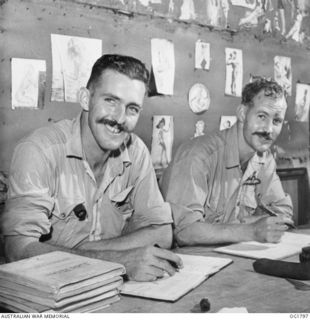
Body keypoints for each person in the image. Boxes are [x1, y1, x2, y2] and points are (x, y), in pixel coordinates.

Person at [1, 54, 182, 281]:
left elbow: (163, 232)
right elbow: (16, 250)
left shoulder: (136, 152)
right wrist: (119, 260)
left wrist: (86, 252)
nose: (120, 118)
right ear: (86, 99)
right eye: (111, 101)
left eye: (132, 108)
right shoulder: (39, 150)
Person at [161, 78, 293, 246]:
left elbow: (284, 214)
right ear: (243, 114)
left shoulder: (264, 159)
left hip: (234, 255)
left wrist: (247, 225)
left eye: (276, 121)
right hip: (188, 261)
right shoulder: (198, 156)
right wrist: (251, 229)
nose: (268, 129)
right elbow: (184, 232)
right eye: (261, 116)